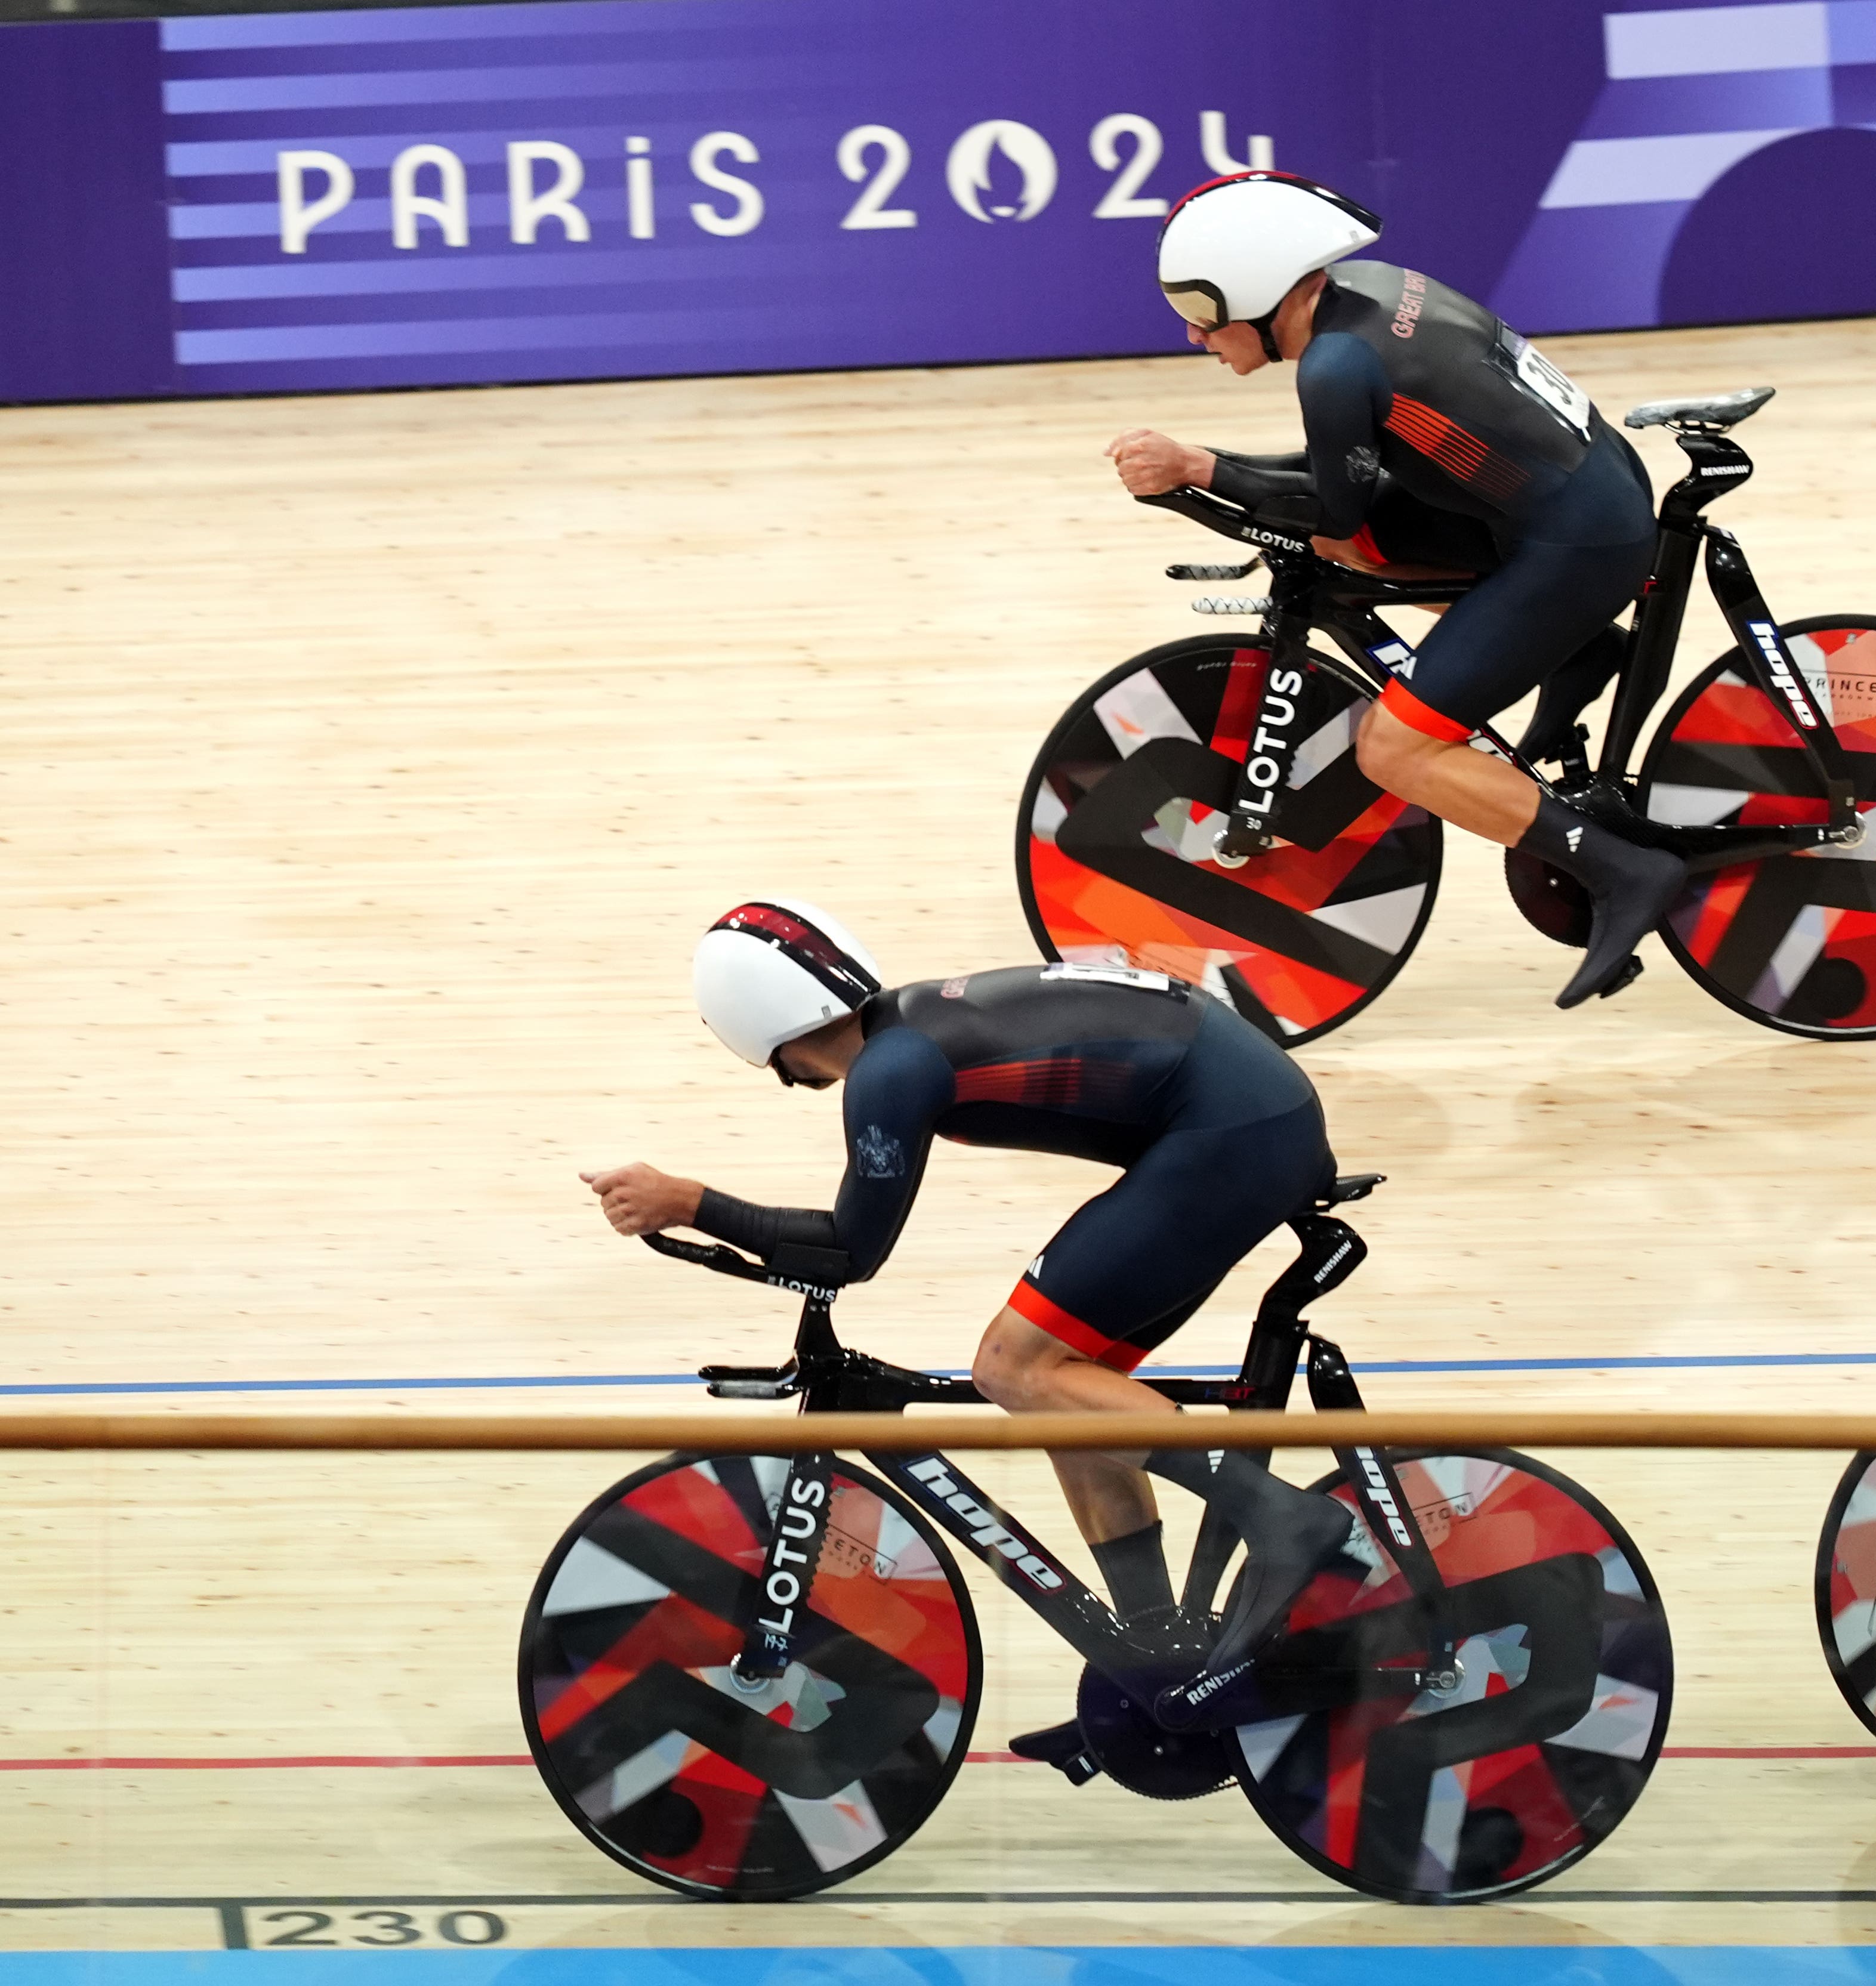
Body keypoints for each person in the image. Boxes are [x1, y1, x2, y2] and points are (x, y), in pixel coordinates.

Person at [580, 898, 1369, 1724]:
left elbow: (854, 1251)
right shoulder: (907, 1027)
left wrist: (689, 1201)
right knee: (1065, 1387)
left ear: (758, 1036)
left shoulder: (892, 1069)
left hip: (1236, 1131)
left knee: (1011, 1367)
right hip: (1238, 1115)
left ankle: (1286, 1521)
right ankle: (1152, 1652)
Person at [1106, 169, 1680, 1009]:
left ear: (1261, 290)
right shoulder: (1370, 293)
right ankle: (1583, 650)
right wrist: (1209, 469)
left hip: (1575, 547)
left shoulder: (1334, 365)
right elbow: (1344, 497)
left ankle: (1623, 869)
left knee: (1393, 747)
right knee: (1357, 540)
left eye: (1201, 311)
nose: (1194, 336)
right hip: (1574, 495)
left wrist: (1199, 468)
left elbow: (1323, 499)